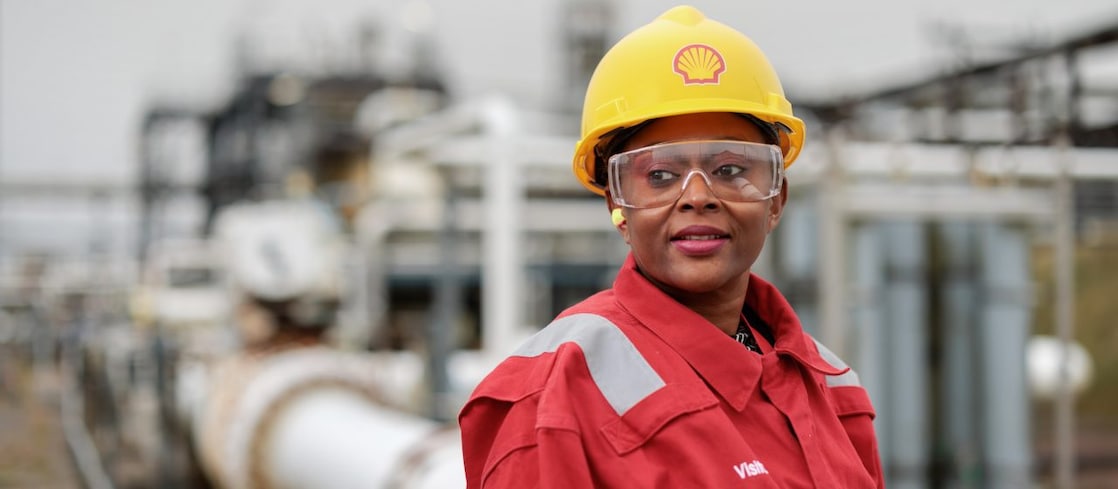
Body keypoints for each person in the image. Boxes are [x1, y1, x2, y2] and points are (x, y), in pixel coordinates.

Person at [459, 5, 884, 488]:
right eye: (660, 175)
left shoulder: (831, 387)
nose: (698, 197)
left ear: (775, 200)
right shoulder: (555, 395)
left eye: (731, 169)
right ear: (617, 205)